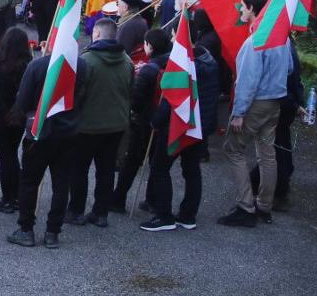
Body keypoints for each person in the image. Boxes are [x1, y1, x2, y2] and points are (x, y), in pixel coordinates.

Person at [219, 0, 293, 228]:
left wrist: (239, 112)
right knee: (266, 154)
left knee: (233, 148)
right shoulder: (282, 37)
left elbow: (247, 80)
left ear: (251, 8)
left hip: (256, 103)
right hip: (276, 101)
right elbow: (290, 68)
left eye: (242, 5)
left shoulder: (255, 41)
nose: (240, 9)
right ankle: (264, 205)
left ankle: (245, 206)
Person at [7, 38, 87, 249]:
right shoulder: (82, 66)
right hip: (70, 133)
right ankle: (53, 232)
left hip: (40, 133)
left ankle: (26, 230)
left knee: (29, 182)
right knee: (62, 184)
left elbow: (22, 101)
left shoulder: (38, 66)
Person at [140, 25, 220, 231]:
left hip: (179, 123)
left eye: (175, 34)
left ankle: (163, 215)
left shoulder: (185, 63)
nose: (173, 39)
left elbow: (173, 97)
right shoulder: (209, 59)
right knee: (191, 169)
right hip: (200, 124)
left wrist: (156, 120)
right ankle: (188, 215)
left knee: (160, 168)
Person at [68, 18, 132, 227]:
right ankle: (101, 213)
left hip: (88, 125)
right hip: (116, 126)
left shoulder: (86, 60)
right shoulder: (127, 62)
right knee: (105, 171)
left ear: (96, 34)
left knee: (79, 170)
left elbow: (76, 94)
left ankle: (76, 211)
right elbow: (132, 90)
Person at [111, 27, 173, 212]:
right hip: (162, 121)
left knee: (131, 162)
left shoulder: (149, 70)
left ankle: (118, 199)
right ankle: (151, 199)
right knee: (156, 162)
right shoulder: (172, 63)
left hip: (144, 122)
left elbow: (136, 101)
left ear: (150, 46)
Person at [251, 34, 307, 211]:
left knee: (274, 149)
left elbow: (282, 81)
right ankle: (272, 183)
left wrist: (295, 104)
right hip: (288, 104)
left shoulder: (280, 45)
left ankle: (276, 189)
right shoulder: (287, 43)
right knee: (280, 145)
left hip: (282, 105)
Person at [0, 25, 32, 214]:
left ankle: (9, 198)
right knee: (11, 153)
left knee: (6, 157)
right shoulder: (28, 65)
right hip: (19, 115)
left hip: (0, 115)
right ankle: (18, 194)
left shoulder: (2, 66)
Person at [116, 0, 150, 65]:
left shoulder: (128, 25)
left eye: (117, 4)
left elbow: (120, 51)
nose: (117, 7)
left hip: (130, 63)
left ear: (125, 7)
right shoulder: (140, 20)